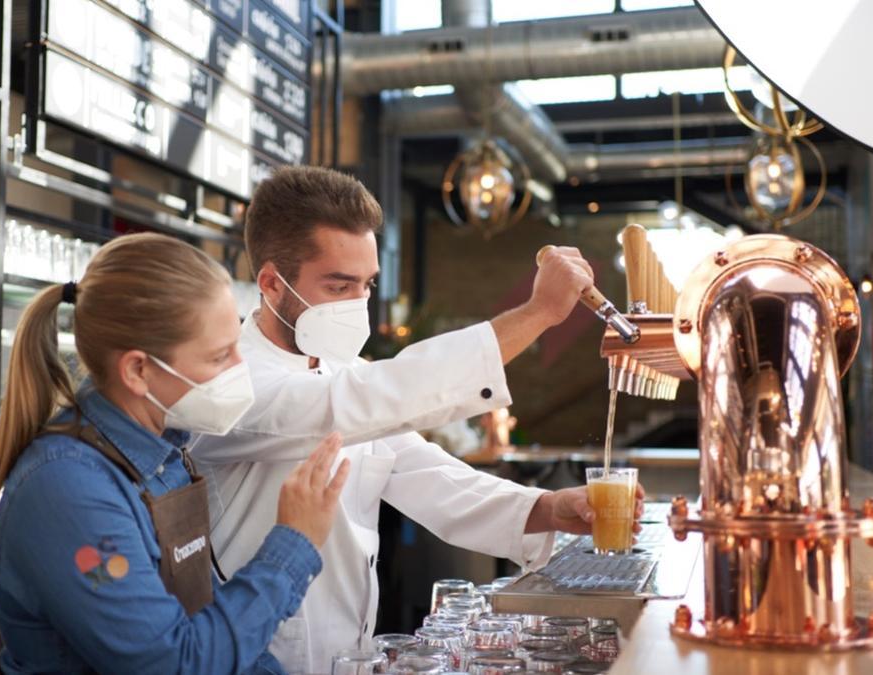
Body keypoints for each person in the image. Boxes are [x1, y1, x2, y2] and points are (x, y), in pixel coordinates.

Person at [192, 167, 646, 673]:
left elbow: (430, 476)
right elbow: (368, 398)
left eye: (366, 284)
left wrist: (547, 507)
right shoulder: (233, 383)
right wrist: (537, 313)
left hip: (351, 652)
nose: (358, 304)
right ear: (273, 284)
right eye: (339, 286)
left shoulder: (342, 369)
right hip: (260, 656)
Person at [0, 232, 349, 674]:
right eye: (220, 356)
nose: (240, 371)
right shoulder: (66, 488)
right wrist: (294, 543)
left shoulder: (165, 457)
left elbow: (209, 622)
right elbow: (172, 664)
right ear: (138, 371)